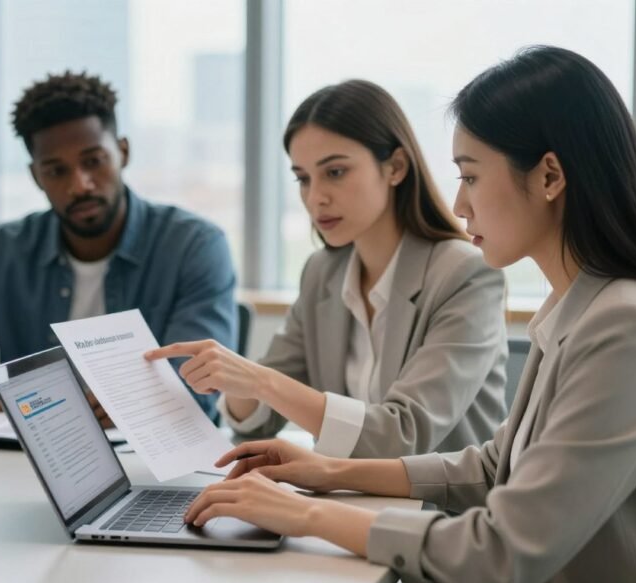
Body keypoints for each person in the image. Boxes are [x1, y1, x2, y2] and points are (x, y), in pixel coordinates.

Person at [182, 47, 636, 583]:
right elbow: (496, 468)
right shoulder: (578, 304)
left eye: (471, 177)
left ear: (549, 176)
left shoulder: (626, 325)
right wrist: (328, 472)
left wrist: (304, 513)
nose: (461, 205)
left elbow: (504, 552)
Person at [147, 80, 507, 458]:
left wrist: (261, 381)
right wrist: (232, 379)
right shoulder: (323, 273)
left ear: (396, 167)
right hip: (346, 500)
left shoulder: (465, 274)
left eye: (334, 172)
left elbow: (403, 435)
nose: (315, 197)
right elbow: (256, 420)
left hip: (437, 512)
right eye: (303, 178)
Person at [0, 71, 237, 428]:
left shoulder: (193, 245)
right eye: (56, 171)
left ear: (123, 152)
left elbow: (197, 384)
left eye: (94, 161)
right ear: (36, 176)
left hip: (152, 462)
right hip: (30, 466)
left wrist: (125, 403)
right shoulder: (3, 252)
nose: (79, 185)